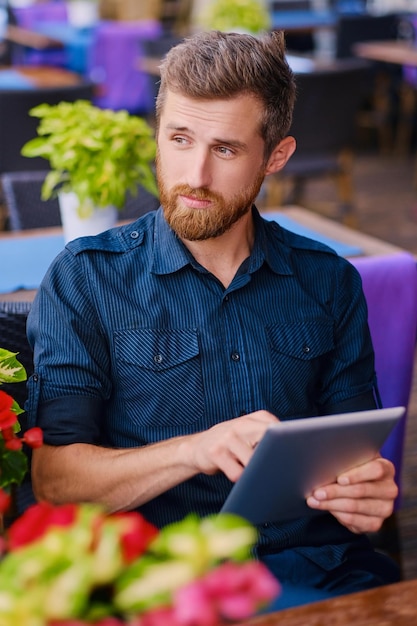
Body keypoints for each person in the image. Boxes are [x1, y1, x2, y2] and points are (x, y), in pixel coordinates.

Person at [26, 29, 400, 607]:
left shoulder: (330, 281)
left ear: (276, 156)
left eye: (225, 149)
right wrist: (192, 450)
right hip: (163, 585)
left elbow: (354, 454)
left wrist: (367, 492)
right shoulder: (86, 278)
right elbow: (55, 480)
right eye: (179, 138)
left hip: (315, 574)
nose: (194, 176)